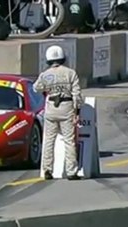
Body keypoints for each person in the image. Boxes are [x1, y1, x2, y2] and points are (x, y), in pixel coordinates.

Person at [33, 45, 83, 181]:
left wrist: (48, 88)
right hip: (66, 107)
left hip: (51, 107)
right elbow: (77, 95)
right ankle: (71, 171)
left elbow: (36, 88)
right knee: (69, 140)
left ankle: (47, 169)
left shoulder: (45, 74)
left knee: (49, 140)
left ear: (48, 59)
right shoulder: (70, 73)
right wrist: (77, 111)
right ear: (63, 58)